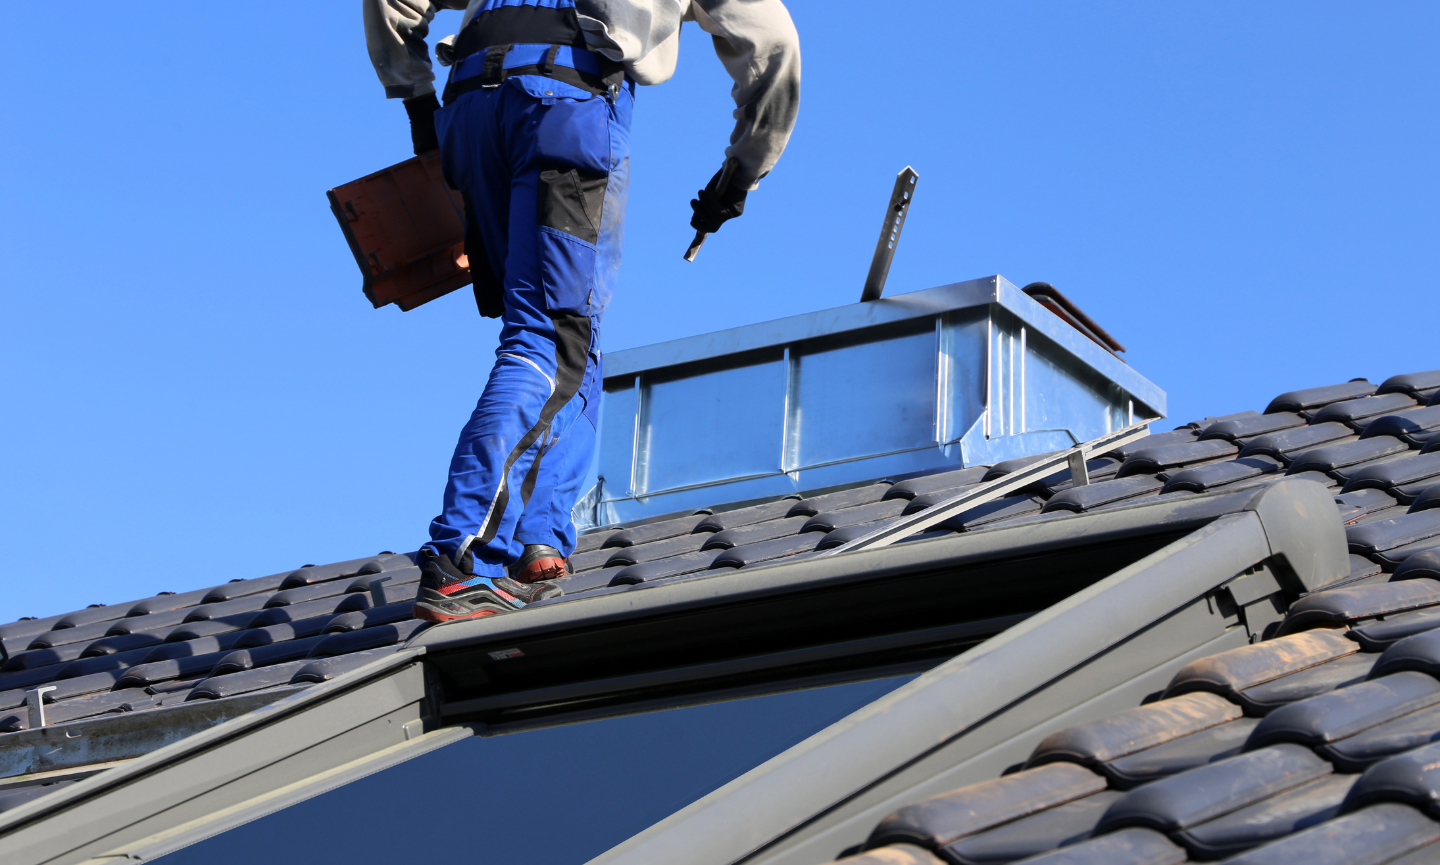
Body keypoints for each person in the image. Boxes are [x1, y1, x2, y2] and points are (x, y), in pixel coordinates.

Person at [363, 0, 800, 623]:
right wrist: (740, 174)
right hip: (563, 101)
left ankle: (540, 536)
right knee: (549, 336)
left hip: (471, 107)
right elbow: (773, 48)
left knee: (574, 327)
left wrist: (416, 103)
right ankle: (462, 556)